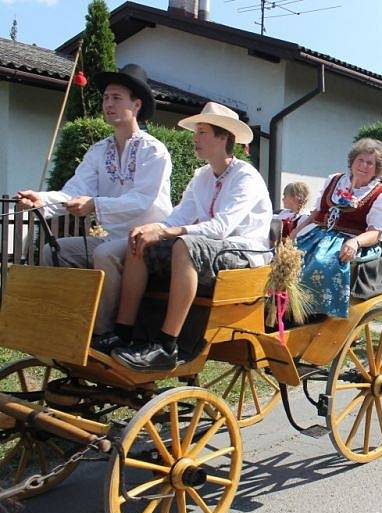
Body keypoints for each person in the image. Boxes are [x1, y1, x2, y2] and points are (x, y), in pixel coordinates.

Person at [109, 102, 272, 371]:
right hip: (213, 248)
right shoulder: (202, 175)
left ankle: (167, 345)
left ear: (223, 138)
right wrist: (153, 230)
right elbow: (180, 217)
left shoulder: (246, 176)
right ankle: (124, 333)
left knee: (185, 245)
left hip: (245, 252)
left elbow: (221, 228)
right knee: (141, 242)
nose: (195, 138)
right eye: (196, 132)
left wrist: (168, 232)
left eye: (203, 132)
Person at [16, 64, 172, 344]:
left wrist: (95, 205)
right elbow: (76, 190)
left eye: (116, 98)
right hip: (114, 237)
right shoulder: (99, 151)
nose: (108, 104)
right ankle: (65, 322)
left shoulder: (154, 151)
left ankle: (104, 333)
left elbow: (142, 201)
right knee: (55, 252)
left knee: (106, 254)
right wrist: (43, 200)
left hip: (150, 239)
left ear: (136, 105)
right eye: (105, 98)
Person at [292, 138, 382, 317]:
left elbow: (375, 232)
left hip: (351, 242)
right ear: (352, 161)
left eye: (370, 163)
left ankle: (320, 313)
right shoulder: (334, 180)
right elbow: (316, 213)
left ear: (377, 168)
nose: (363, 166)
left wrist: (355, 242)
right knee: (290, 256)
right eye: (360, 160)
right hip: (317, 236)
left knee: (322, 263)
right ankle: (286, 307)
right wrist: (295, 231)